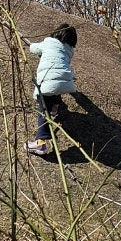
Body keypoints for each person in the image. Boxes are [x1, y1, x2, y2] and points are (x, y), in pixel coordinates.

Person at [26, 24, 78, 157]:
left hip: (48, 83)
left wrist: (30, 45)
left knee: (43, 112)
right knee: (56, 88)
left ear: (56, 33)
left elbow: (34, 48)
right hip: (65, 81)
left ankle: (40, 143)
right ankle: (55, 106)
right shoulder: (69, 50)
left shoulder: (49, 42)